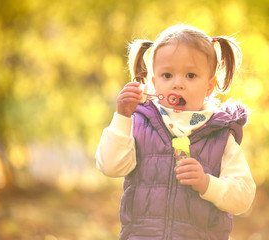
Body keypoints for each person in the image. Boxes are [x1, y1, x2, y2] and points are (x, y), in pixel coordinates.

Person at [95, 24, 256, 240]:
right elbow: (109, 166)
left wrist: (207, 184)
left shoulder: (220, 136)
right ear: (154, 83)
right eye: (167, 75)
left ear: (209, 86)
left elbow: (243, 196)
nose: (177, 84)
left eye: (190, 75)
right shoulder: (140, 125)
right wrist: (122, 117)